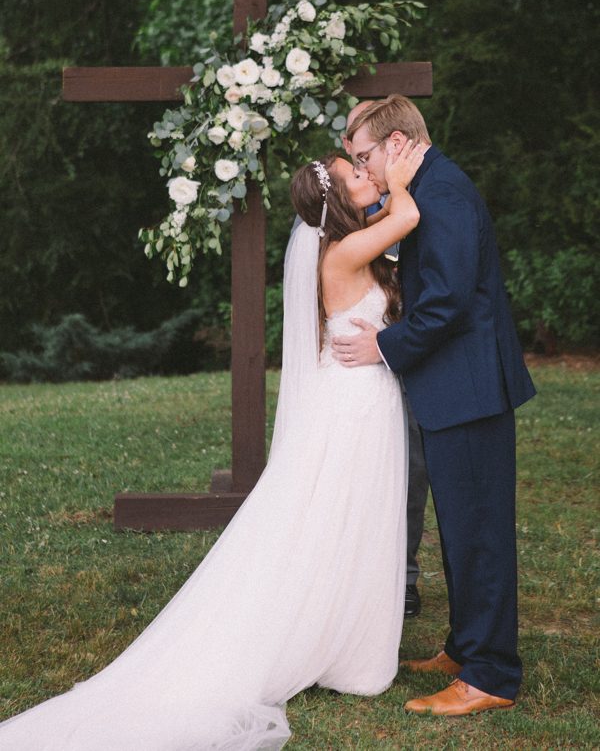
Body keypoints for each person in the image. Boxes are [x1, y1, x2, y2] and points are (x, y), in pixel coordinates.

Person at [0, 141, 426, 750]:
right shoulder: (340, 253)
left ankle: (346, 639)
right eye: (355, 172)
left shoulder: (353, 244)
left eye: (364, 167)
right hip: (352, 408)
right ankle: (339, 646)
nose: (368, 173)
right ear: (335, 205)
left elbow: (392, 231)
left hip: (364, 400)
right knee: (339, 516)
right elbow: (405, 218)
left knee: (355, 520)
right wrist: (404, 176)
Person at [333, 94, 536, 716]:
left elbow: (446, 301)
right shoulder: (430, 188)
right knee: (461, 527)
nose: (361, 171)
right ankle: (464, 647)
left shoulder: (442, 196)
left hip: (469, 389)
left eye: (365, 156)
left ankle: (491, 675)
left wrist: (383, 347)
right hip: (458, 387)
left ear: (397, 145)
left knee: (479, 536)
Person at [343, 101, 429, 619]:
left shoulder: (411, 199)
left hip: (412, 349)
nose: (362, 167)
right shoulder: (357, 223)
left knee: (412, 466)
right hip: (370, 361)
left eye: (364, 155)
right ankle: (380, 576)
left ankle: (405, 576)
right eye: (353, 161)